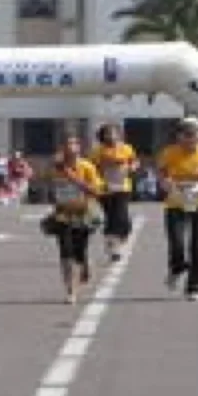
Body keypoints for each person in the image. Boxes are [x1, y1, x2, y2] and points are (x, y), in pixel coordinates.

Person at [157, 116, 198, 301]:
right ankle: (177, 267)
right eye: (186, 134)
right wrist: (166, 182)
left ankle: (194, 287)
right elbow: (162, 173)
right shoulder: (169, 152)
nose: (190, 138)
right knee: (176, 242)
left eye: (193, 134)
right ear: (179, 136)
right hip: (176, 202)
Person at [47, 134, 104, 304]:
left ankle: (85, 263)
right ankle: (70, 290)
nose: (70, 147)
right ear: (61, 148)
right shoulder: (54, 168)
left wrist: (74, 179)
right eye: (66, 144)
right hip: (62, 215)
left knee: (79, 252)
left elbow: (96, 191)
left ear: (79, 147)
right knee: (65, 253)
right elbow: (47, 185)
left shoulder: (87, 167)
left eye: (73, 143)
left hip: (83, 214)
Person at [89, 123, 139, 262]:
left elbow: (134, 161)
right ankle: (112, 247)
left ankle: (119, 239)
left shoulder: (126, 148)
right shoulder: (98, 151)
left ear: (119, 134)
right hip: (105, 188)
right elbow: (92, 169)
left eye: (113, 133)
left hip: (123, 187)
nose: (111, 136)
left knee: (123, 220)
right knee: (111, 217)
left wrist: (132, 167)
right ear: (102, 136)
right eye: (107, 133)